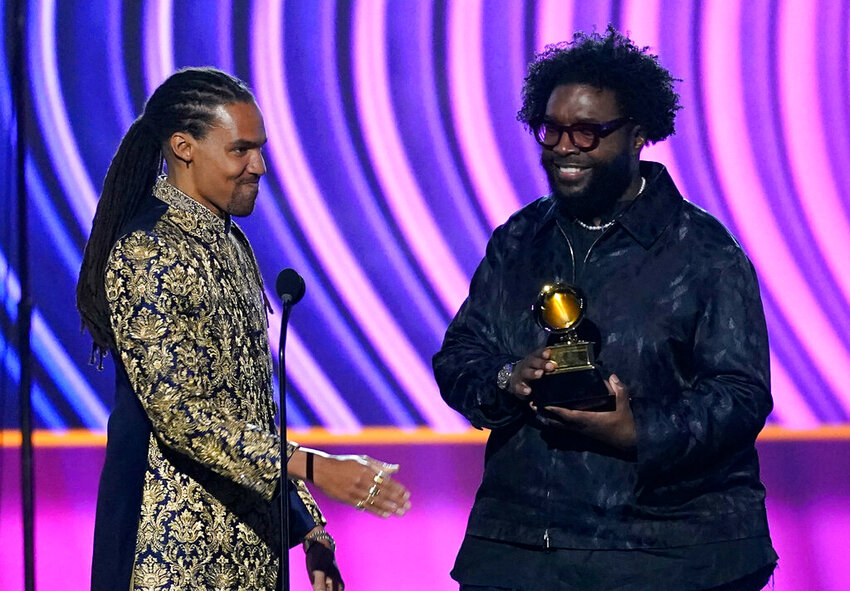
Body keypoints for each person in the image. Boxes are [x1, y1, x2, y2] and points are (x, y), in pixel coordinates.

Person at [433, 28, 777, 591]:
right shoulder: (519, 239)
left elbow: (740, 395)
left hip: (669, 552)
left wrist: (639, 431)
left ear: (638, 133)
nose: (564, 146)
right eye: (552, 129)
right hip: (522, 549)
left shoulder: (705, 251)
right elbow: (459, 357)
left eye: (588, 132)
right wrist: (508, 378)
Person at [77, 67, 410, 591]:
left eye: (260, 148)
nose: (259, 165)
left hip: (253, 549)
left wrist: (310, 528)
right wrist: (319, 469)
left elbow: (251, 410)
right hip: (170, 555)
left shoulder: (233, 244)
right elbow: (182, 416)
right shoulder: (146, 249)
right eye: (241, 150)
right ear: (183, 147)